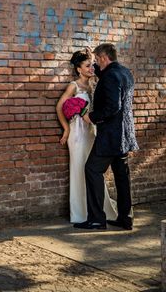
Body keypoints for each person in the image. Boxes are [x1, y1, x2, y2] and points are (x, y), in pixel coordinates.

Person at [77, 43, 138, 231]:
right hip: (125, 135)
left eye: (96, 60)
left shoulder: (110, 76)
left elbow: (113, 106)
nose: (95, 64)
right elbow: (110, 82)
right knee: (121, 176)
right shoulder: (124, 72)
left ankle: (96, 219)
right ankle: (125, 218)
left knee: (92, 169)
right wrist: (94, 66)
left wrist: (91, 117)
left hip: (111, 135)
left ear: (104, 58)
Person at [57, 50, 116, 224]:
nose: (92, 68)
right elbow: (59, 107)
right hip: (76, 134)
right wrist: (66, 129)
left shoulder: (94, 85)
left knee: (94, 171)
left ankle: (99, 211)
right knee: (79, 170)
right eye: (88, 65)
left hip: (92, 133)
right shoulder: (73, 86)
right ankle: (81, 213)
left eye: (92, 64)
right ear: (79, 69)